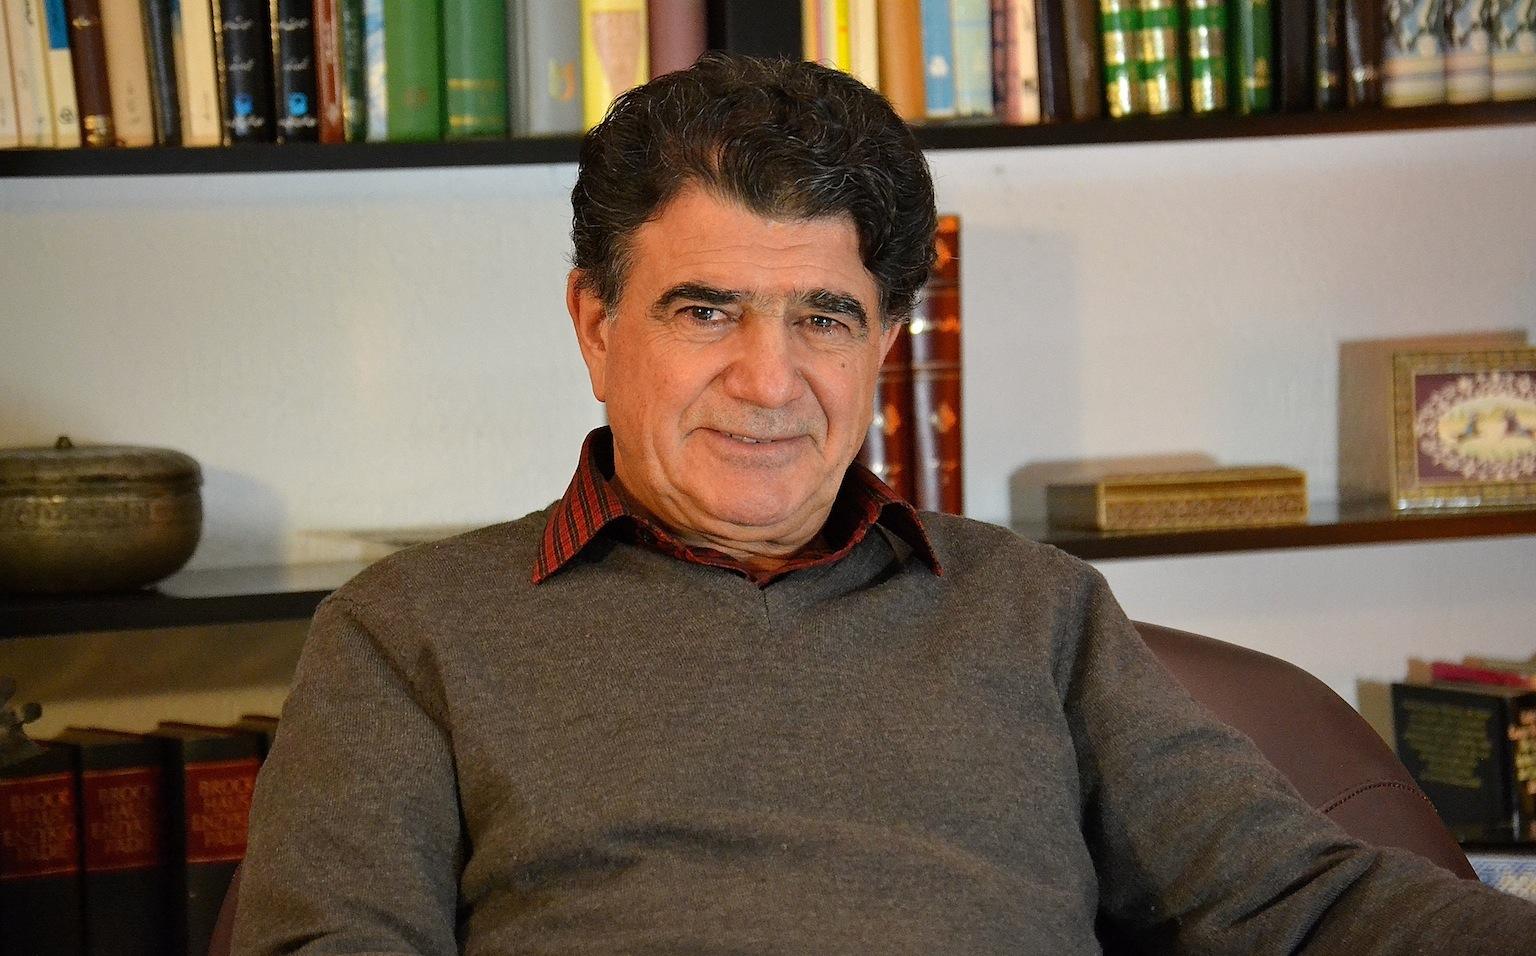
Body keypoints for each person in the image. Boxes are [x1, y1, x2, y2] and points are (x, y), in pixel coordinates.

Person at [234, 54, 1536, 954]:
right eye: (706, 311)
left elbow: (1302, 904)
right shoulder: (407, 632)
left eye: (824, 318)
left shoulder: (1036, 613)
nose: (769, 382)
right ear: (596, 324)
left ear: (884, 346)